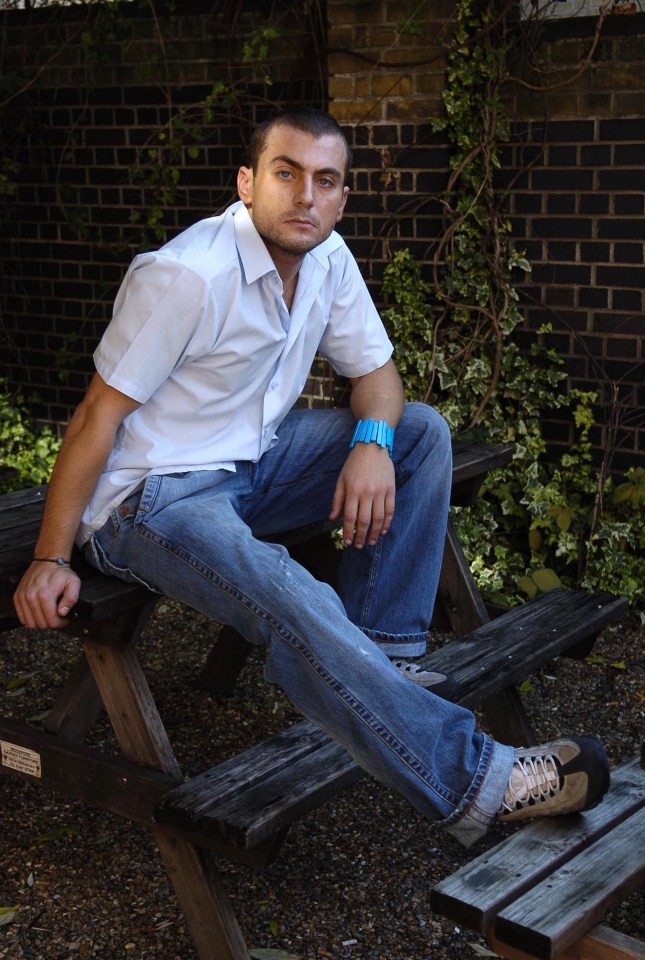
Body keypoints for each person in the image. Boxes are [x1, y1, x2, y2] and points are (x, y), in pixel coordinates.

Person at [13, 107, 609, 847]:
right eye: (286, 173)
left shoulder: (327, 260)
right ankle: (478, 783)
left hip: (254, 460)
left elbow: (378, 376)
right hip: (151, 498)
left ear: (341, 196)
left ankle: (383, 663)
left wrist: (369, 441)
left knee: (417, 431)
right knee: (289, 592)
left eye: (325, 181)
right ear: (246, 182)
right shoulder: (185, 276)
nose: (305, 196)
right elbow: (95, 416)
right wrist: (50, 555)